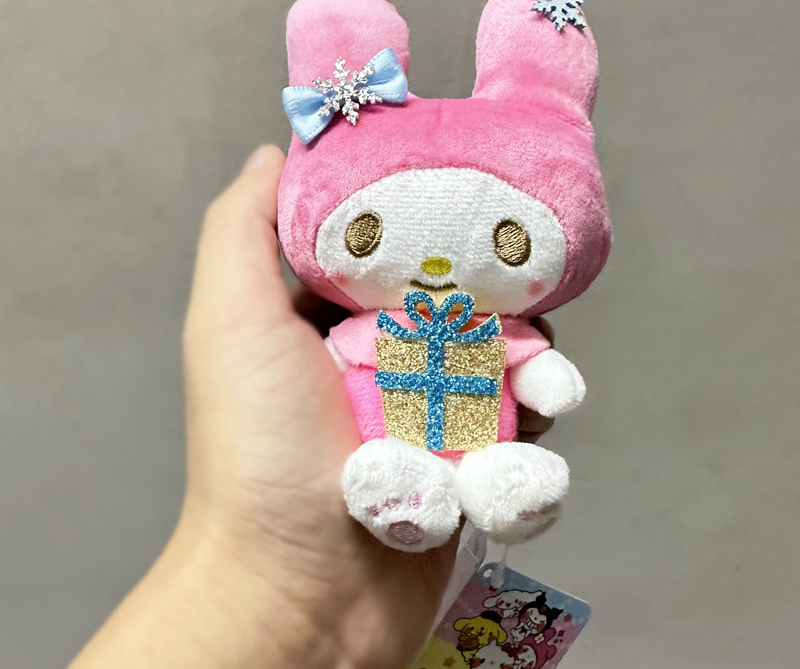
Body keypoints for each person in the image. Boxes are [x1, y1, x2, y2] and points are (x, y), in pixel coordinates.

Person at [71, 145, 553, 669]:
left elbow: (541, 373)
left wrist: (544, 377)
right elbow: (334, 357)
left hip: (481, 442)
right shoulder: (376, 329)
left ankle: (507, 491)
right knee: (395, 471)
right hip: (398, 444)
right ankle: (407, 499)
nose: (437, 264)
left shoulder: (499, 332)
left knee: (501, 470)